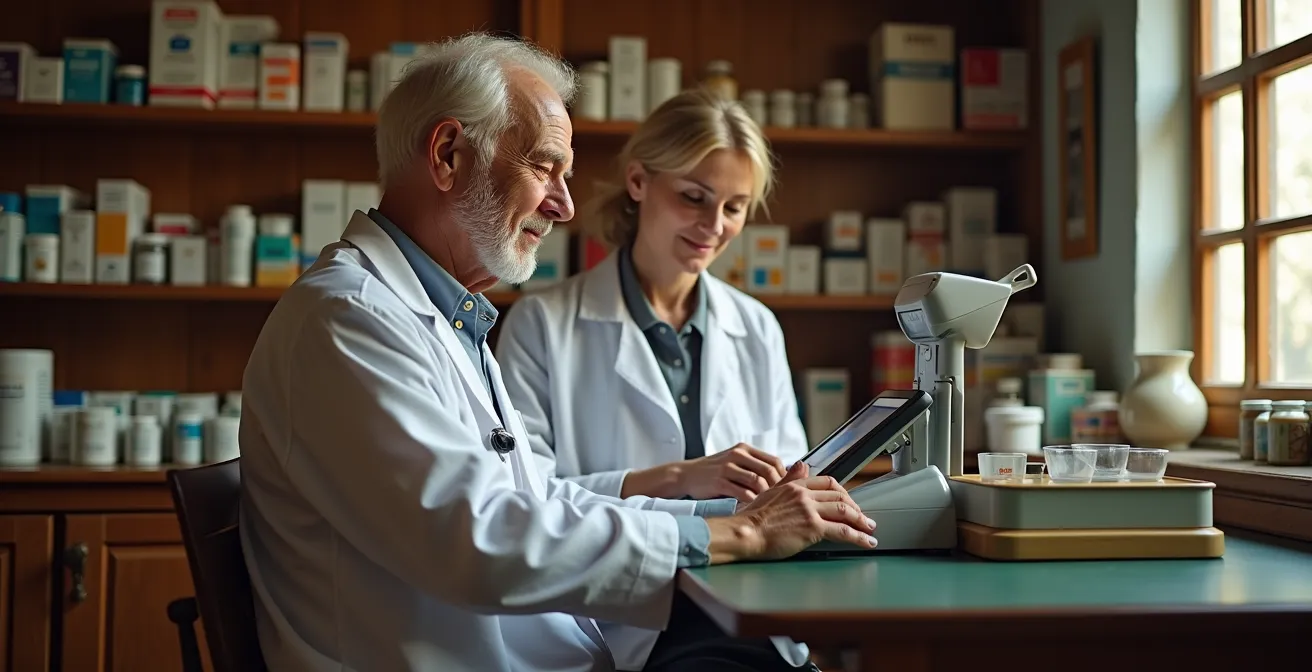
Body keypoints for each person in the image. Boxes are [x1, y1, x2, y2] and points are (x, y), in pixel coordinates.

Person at [236, 32, 877, 672]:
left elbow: (541, 498)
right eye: (545, 166)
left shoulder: (441, 316)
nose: (565, 205)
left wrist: (735, 513)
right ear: (448, 155)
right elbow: (482, 542)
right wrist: (743, 533)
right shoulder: (350, 318)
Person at [495, 89, 812, 670]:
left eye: (735, 207)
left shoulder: (757, 328)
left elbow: (790, 480)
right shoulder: (542, 324)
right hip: (617, 610)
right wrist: (676, 478)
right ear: (638, 182)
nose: (713, 227)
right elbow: (522, 503)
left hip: (749, 599)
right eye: (694, 197)